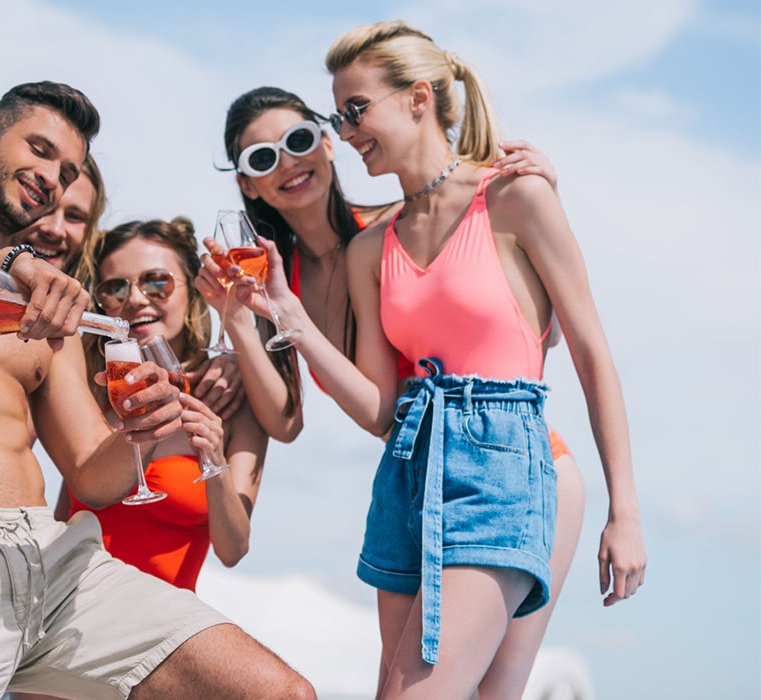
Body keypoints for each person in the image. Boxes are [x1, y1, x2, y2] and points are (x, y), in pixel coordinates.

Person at [0, 79, 315, 699]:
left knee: (276, 693)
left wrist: (141, 430)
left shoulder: (51, 296)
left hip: (54, 560)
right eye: (38, 150)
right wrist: (0, 268)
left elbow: (93, 473)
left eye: (66, 172)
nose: (51, 177)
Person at [220, 22, 646, 698]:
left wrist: (625, 510)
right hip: (408, 474)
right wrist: (286, 324)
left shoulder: (515, 197)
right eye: (342, 114)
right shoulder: (370, 250)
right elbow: (380, 408)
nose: (349, 129)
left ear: (420, 97)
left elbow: (584, 349)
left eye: (352, 111)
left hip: (507, 462)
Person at [54, 218, 268, 592]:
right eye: (115, 288)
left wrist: (213, 456)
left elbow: (233, 550)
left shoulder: (229, 400)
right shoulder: (94, 392)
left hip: (162, 627)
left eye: (157, 282)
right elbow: (61, 524)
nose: (135, 299)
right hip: (73, 610)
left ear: (192, 289)